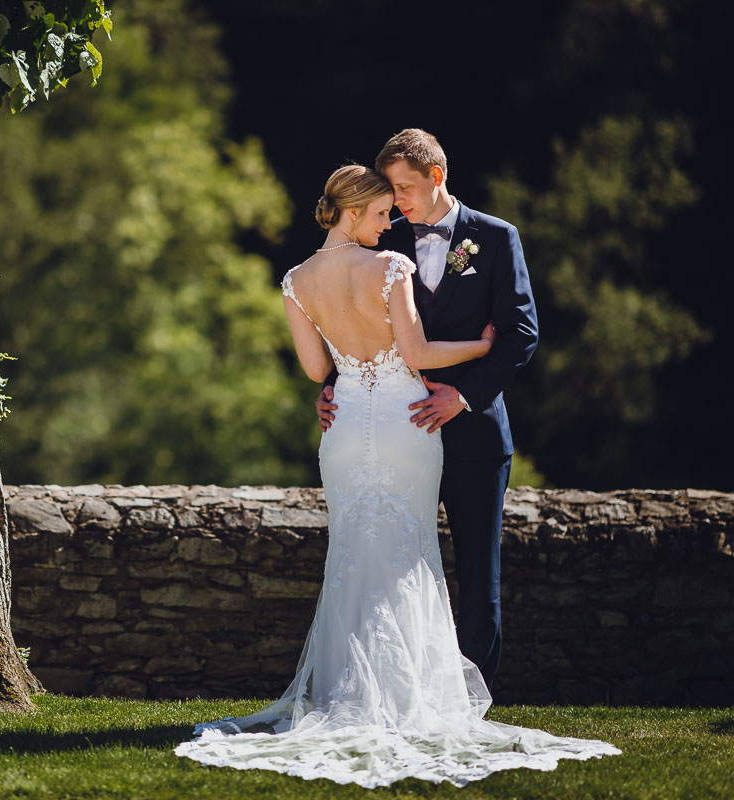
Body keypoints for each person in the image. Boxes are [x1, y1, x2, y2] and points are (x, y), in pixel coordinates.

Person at [174, 161, 619, 787]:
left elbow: (314, 369)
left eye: (397, 204)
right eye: (382, 211)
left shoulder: (296, 280)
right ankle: (414, 700)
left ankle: (347, 697)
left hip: (350, 427)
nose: (392, 221)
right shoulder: (390, 263)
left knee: (356, 554)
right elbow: (413, 354)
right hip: (407, 422)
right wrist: (481, 345)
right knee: (408, 554)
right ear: (354, 212)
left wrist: (344, 383)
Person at [320, 129, 533, 690]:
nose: (396, 203)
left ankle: (469, 702)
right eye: (390, 191)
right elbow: (351, 320)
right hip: (395, 432)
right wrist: (338, 386)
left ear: (437, 175)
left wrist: (459, 397)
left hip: (473, 433)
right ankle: (390, 693)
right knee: (390, 560)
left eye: (404, 188)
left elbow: (520, 335)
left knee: (477, 575)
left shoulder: (495, 237)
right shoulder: (384, 243)